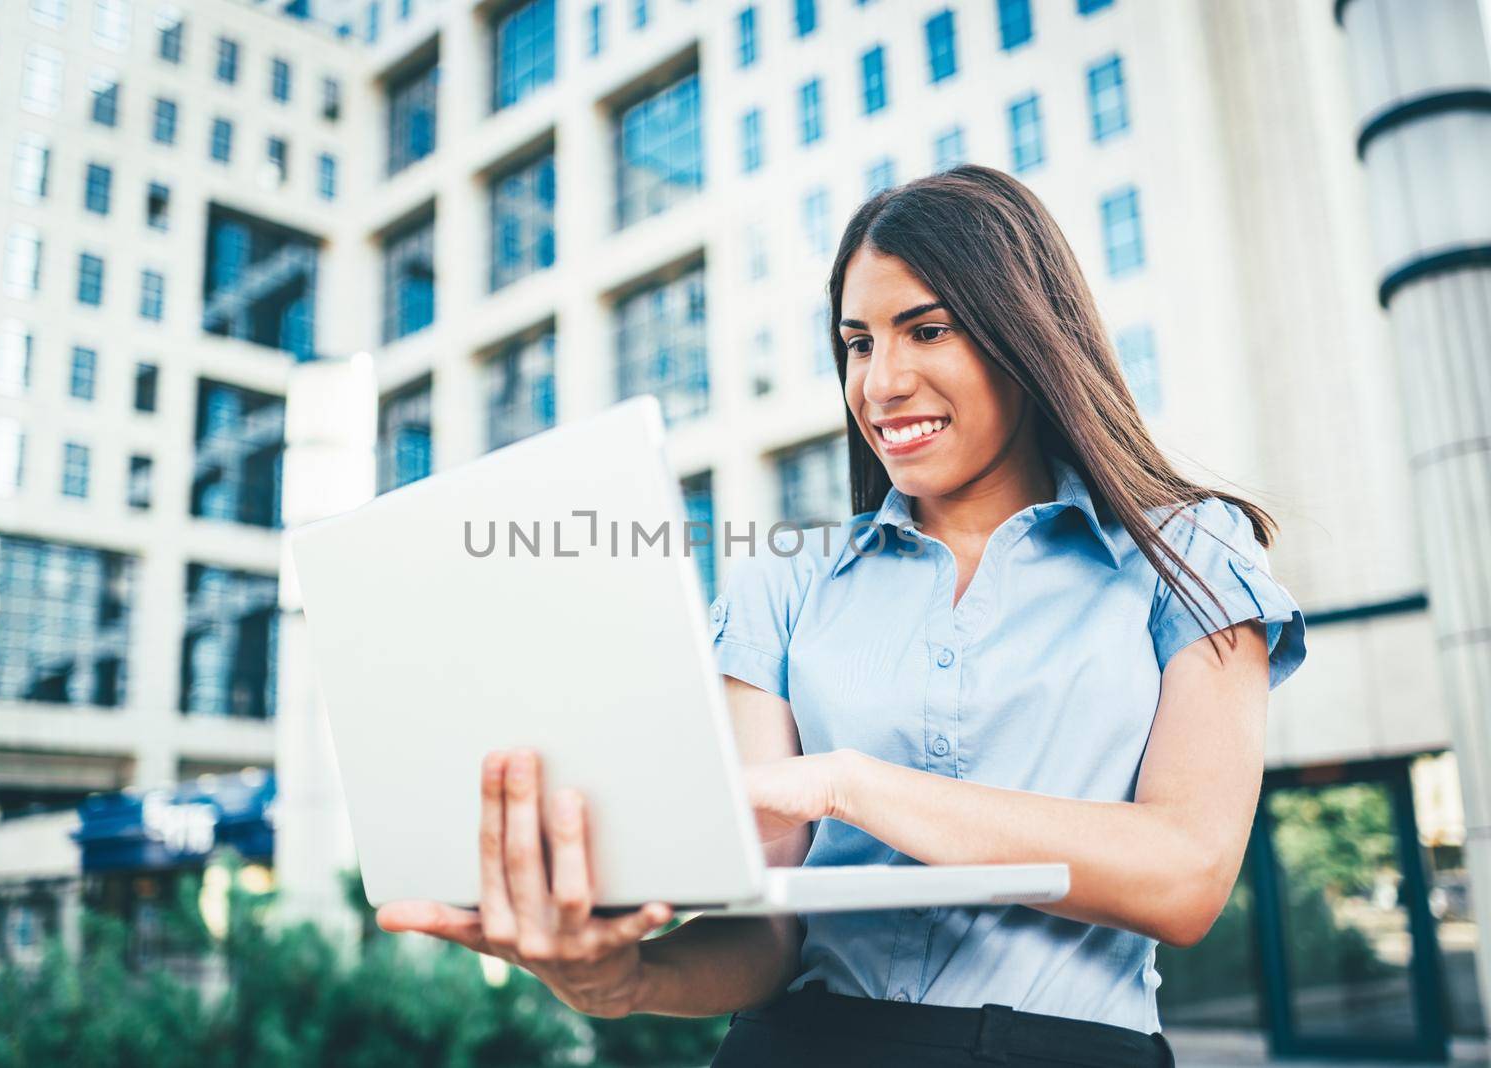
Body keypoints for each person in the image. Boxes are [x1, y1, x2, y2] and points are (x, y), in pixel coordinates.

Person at [375, 165, 1308, 1067]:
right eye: (859, 343)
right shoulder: (788, 580)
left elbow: (1185, 876)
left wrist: (851, 787)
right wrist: (619, 979)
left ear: (1028, 335)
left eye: (927, 330)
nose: (881, 382)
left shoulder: (1186, 550)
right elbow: (767, 929)